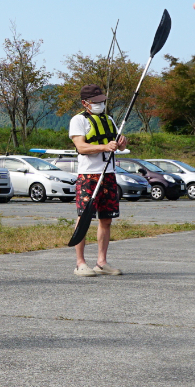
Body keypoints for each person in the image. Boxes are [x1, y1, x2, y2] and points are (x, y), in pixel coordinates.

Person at [68, 83, 127, 276]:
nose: (100, 104)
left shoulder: (109, 119)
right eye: (96, 102)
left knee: (106, 219)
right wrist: (104, 147)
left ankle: (102, 263)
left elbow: (114, 145)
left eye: (102, 101)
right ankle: (80, 263)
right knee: (83, 218)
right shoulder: (78, 120)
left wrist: (120, 144)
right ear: (85, 103)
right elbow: (81, 147)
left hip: (108, 174)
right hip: (88, 176)